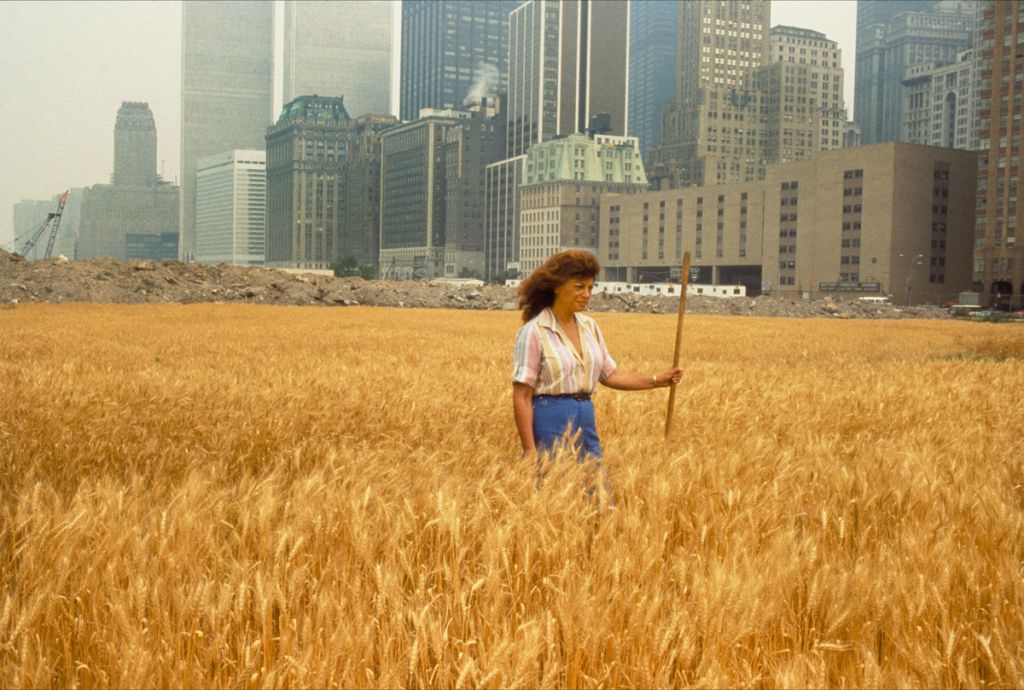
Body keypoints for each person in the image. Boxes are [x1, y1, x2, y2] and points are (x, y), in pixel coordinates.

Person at [511, 250, 683, 467]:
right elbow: (522, 395)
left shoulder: (589, 327)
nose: (587, 294)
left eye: (590, 287)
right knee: (553, 487)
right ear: (556, 286)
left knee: (596, 489)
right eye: (579, 286)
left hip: (585, 417)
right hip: (550, 417)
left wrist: (658, 380)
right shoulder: (534, 331)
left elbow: (610, 375)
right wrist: (529, 450)